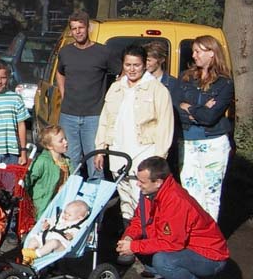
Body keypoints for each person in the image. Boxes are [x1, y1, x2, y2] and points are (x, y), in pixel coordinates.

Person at [116, 157, 229, 279]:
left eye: (142, 181)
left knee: (162, 260)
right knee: (140, 247)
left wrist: (134, 246)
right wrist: (129, 237)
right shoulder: (150, 193)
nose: (138, 184)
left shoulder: (175, 201)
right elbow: (138, 221)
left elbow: (172, 244)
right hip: (184, 248)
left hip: (210, 257)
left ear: (158, 182)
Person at [94, 44, 174, 231]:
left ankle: (146, 238)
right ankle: (130, 235)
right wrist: (100, 149)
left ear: (144, 65)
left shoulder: (157, 90)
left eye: (136, 65)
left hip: (144, 151)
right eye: (128, 65)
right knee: (125, 197)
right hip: (118, 152)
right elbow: (105, 120)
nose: (131, 69)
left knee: (143, 197)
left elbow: (165, 124)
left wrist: (159, 158)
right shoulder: (115, 88)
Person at [176, 35, 234, 221]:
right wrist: (199, 109)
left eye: (198, 51)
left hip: (213, 142)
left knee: (210, 192)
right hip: (187, 140)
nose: (193, 55)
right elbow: (176, 107)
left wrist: (190, 107)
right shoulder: (185, 78)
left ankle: (210, 239)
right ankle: (193, 234)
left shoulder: (225, 83)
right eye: (193, 51)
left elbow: (210, 118)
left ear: (211, 53)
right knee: (189, 191)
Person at [56, 11, 120, 177]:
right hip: (68, 115)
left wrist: (113, 98)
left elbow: (122, 73)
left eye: (81, 27)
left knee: (95, 162)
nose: (78, 31)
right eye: (74, 28)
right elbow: (60, 72)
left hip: (94, 116)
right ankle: (71, 199)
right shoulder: (65, 52)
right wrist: (63, 94)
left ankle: (93, 200)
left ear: (88, 28)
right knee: (70, 161)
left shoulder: (103, 52)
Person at [144, 40, 181, 177]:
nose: (146, 63)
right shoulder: (141, 82)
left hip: (165, 137)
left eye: (148, 60)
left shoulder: (172, 83)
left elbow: (175, 112)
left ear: (160, 60)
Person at [22, 200, 91, 264]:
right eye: (65, 212)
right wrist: (47, 224)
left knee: (54, 243)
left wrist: (72, 236)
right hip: (47, 238)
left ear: (79, 218)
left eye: (69, 215)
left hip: (61, 244)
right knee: (34, 240)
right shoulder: (60, 217)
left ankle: (35, 254)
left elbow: (81, 236)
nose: (65, 215)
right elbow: (51, 221)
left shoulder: (79, 225)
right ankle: (27, 258)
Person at [26, 125, 72, 218]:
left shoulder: (66, 161)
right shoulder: (42, 161)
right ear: (49, 146)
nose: (66, 142)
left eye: (65, 138)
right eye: (61, 141)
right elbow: (27, 180)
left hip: (61, 204)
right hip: (43, 206)